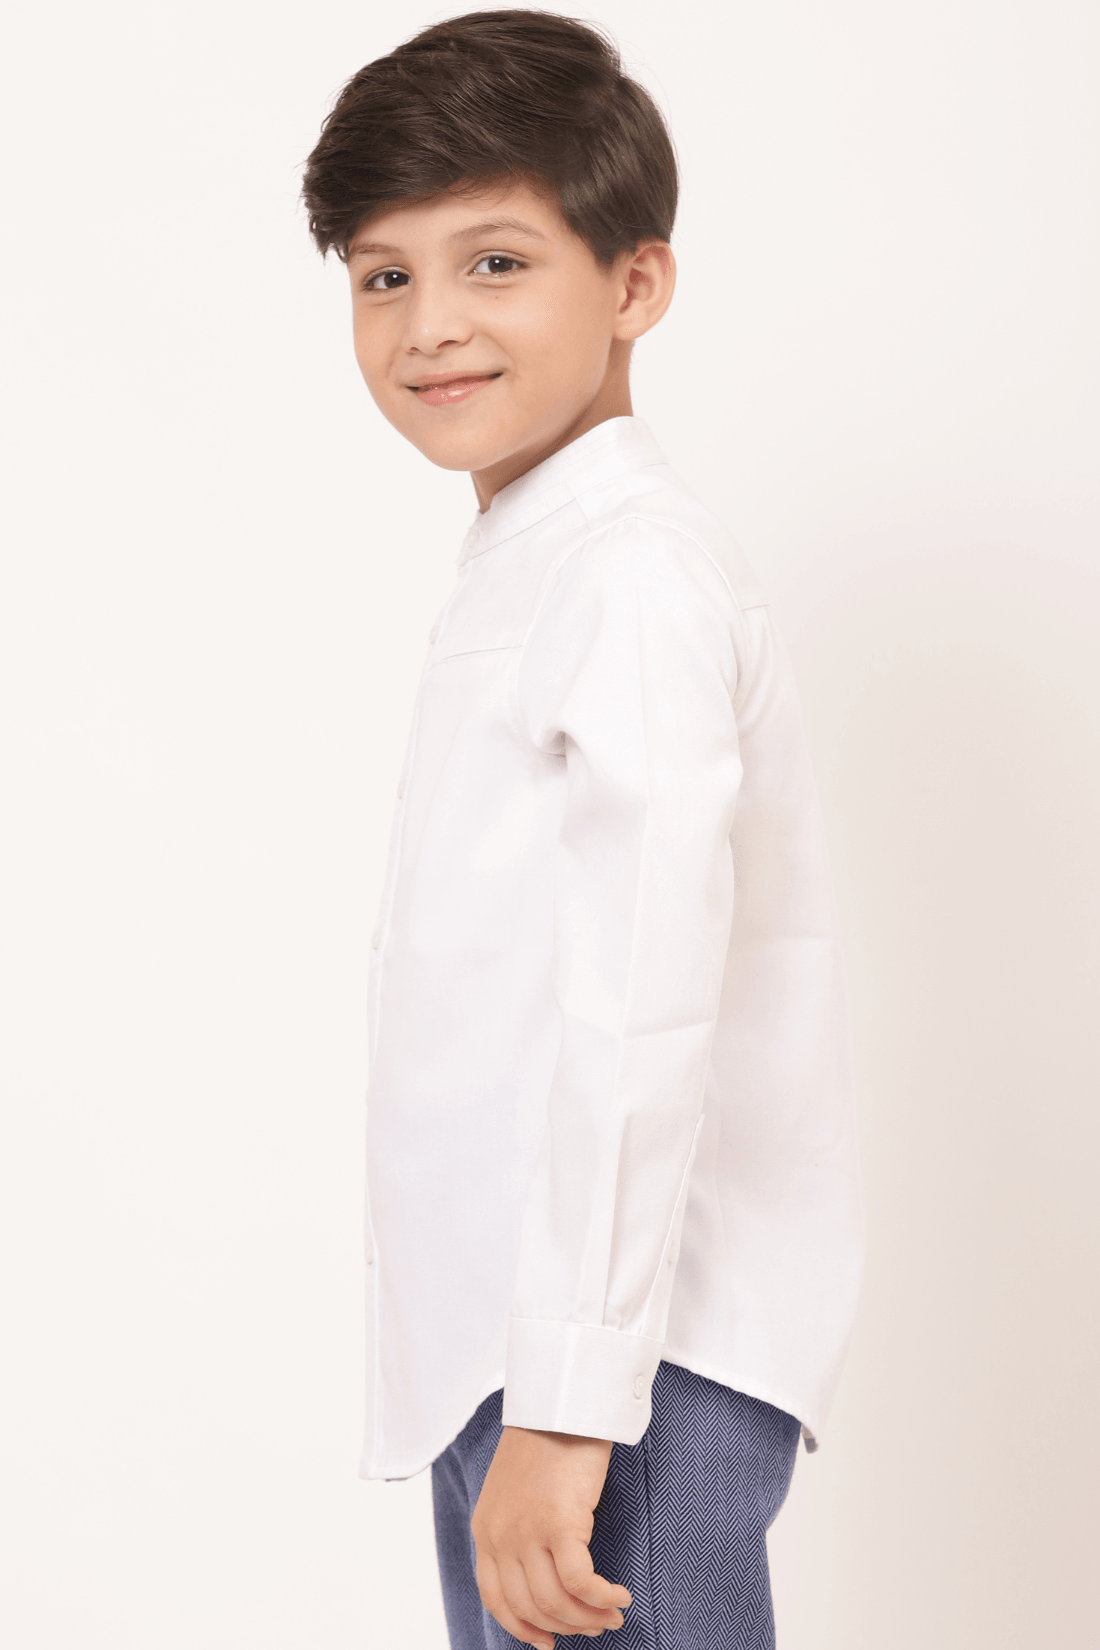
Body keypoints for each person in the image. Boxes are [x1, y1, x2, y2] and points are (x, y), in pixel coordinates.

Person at [301, 11, 863, 1649]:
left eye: (495, 261)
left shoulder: (628, 575)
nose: (429, 323)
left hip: (619, 1368)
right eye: (384, 274)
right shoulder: (543, 558)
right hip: (530, 1349)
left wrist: (565, 1403)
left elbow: (639, 1001)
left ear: (635, 284)